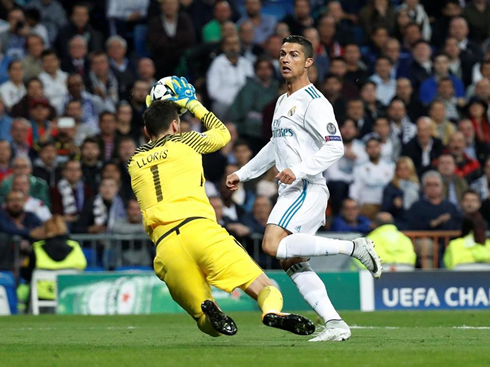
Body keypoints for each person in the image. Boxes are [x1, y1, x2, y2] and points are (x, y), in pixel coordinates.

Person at [129, 77, 315, 338]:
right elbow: (222, 134)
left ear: (147, 132)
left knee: (206, 321)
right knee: (265, 287)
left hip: (166, 245)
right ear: (175, 124)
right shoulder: (186, 142)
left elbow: (155, 144)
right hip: (201, 230)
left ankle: (209, 309)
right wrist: (193, 104)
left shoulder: (134, 162)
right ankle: (271, 311)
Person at [227, 36, 382, 342]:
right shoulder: (283, 101)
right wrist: (244, 173)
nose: (285, 59)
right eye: (282, 54)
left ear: (309, 62)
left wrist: (297, 170)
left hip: (307, 187)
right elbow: (275, 146)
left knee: (272, 245)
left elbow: (335, 148)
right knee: (290, 260)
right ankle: (335, 323)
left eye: (294, 55)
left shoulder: (315, 102)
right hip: (292, 190)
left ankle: (354, 248)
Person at [349, 136, 395, 220]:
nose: (373, 150)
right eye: (370, 147)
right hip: (367, 204)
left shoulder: (390, 166)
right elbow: (355, 187)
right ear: (366, 150)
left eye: (376, 146)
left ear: (380, 148)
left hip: (385, 205)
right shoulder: (359, 168)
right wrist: (355, 203)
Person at [381, 156, 420, 229]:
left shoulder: (416, 186)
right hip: (397, 224)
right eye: (400, 169)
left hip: (414, 223)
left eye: (406, 169)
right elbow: (384, 210)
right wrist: (394, 205)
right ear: (396, 171)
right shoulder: (390, 187)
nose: (403, 172)